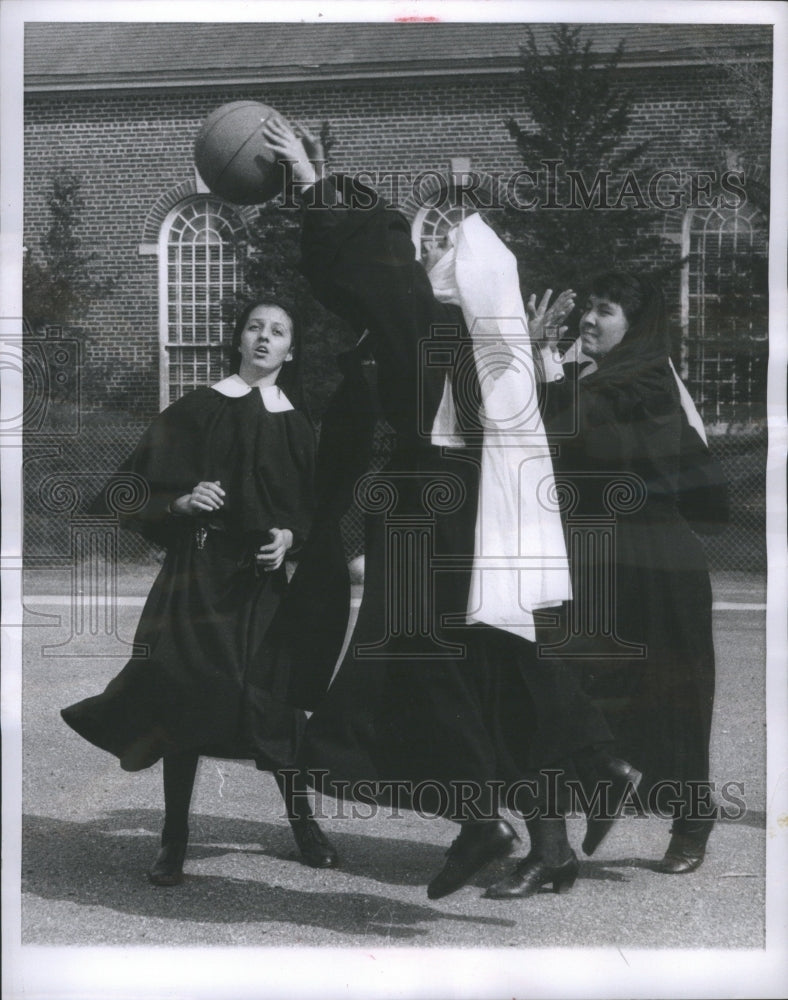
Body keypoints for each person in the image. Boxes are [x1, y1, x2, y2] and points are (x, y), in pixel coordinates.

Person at [261, 117, 639, 901]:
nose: (426, 258)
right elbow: (368, 280)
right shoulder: (484, 340)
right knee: (483, 671)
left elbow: (371, 264)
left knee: (413, 674)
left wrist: (308, 178)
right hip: (464, 513)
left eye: (437, 255)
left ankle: (486, 822)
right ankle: (565, 797)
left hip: (429, 515)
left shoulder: (432, 326)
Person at [61, 300, 343, 885]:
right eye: (255, 327)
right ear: (239, 339)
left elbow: (314, 510)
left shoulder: (297, 421)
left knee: (274, 703)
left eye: (279, 331)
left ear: (292, 350)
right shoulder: (200, 408)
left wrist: (289, 538)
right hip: (199, 577)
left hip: (262, 583)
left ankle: (304, 824)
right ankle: (173, 840)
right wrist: (181, 503)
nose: (264, 338)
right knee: (184, 698)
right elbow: (127, 490)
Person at [534, 272, 729, 874]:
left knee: (675, 697)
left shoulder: (643, 380)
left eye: (605, 310)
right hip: (599, 560)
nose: (589, 320)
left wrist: (541, 356)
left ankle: (692, 818)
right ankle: (589, 798)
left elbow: (576, 428)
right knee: (577, 687)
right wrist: (538, 354)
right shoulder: (593, 379)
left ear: (635, 326)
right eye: (587, 308)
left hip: (655, 564)